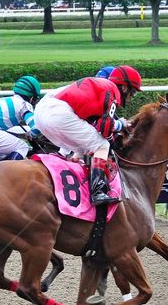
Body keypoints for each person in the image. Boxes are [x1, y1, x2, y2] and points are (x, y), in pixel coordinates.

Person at [34, 65, 143, 205]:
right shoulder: (112, 89)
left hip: (42, 115)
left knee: (84, 145)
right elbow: (105, 128)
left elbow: (93, 124)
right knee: (102, 146)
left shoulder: (97, 87)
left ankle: (70, 162)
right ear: (124, 87)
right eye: (133, 93)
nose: (131, 98)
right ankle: (97, 192)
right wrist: (120, 124)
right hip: (58, 113)